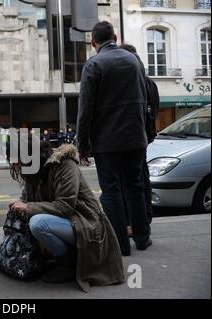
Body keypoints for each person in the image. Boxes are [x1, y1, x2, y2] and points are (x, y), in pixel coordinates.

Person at [7, 134, 124, 292]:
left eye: (17, 161)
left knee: (38, 223)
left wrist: (27, 207)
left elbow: (65, 206)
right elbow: (27, 200)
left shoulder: (64, 164)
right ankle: (61, 258)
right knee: (33, 219)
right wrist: (18, 206)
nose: (15, 167)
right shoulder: (33, 172)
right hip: (68, 223)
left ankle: (67, 264)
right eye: (12, 162)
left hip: (86, 223)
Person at [76, 21, 152, 256]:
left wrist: (83, 145)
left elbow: (85, 109)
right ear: (115, 37)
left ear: (93, 42)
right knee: (135, 187)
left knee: (111, 192)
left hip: (107, 142)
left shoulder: (94, 64)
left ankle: (120, 244)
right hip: (135, 138)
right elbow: (146, 98)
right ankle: (141, 237)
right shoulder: (134, 61)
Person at [120, 43, 160, 225]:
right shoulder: (149, 82)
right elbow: (154, 111)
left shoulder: (133, 82)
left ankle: (133, 222)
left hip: (130, 138)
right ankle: (144, 221)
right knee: (142, 179)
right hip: (143, 137)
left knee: (130, 183)